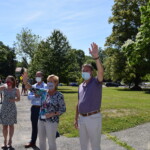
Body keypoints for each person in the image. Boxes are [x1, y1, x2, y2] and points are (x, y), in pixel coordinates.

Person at [23, 74, 66, 150]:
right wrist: (25, 82)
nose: (49, 83)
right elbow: (32, 89)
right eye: (48, 81)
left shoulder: (59, 95)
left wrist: (53, 114)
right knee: (41, 141)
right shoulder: (43, 92)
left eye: (51, 81)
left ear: (56, 83)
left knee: (51, 142)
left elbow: (63, 109)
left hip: (52, 121)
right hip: (41, 120)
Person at [74, 43, 104, 150]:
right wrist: (76, 118)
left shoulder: (96, 82)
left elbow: (101, 72)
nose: (84, 72)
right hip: (82, 118)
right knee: (83, 145)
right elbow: (78, 102)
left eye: (86, 70)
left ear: (92, 72)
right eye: (83, 70)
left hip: (93, 118)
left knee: (95, 145)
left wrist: (96, 57)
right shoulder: (80, 86)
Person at [24, 71, 47, 148]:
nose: (38, 77)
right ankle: (32, 141)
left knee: (43, 126)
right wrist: (35, 95)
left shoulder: (45, 86)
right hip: (34, 108)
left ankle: (43, 143)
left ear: (42, 77)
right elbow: (28, 97)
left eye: (39, 76)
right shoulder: (33, 86)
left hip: (42, 108)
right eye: (36, 76)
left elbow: (44, 94)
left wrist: (37, 94)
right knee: (34, 126)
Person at [0, 75, 20, 148]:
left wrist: (13, 100)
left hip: (12, 109)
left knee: (11, 125)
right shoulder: (4, 88)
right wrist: (2, 86)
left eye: (9, 80)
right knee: (4, 126)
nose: (7, 82)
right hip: (4, 109)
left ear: (12, 81)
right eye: (6, 80)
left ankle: (10, 140)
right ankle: (5, 141)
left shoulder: (16, 89)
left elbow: (18, 99)